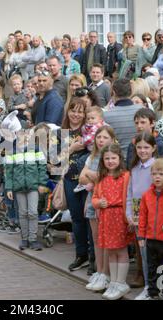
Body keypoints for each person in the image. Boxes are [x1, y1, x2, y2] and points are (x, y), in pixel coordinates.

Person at [92, 143, 133, 300]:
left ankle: (121, 282)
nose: (110, 161)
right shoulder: (101, 177)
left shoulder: (125, 176)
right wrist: (98, 203)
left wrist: (129, 217)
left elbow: (130, 197)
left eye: (113, 158)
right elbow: (95, 197)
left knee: (121, 250)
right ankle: (113, 282)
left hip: (119, 217)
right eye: (107, 158)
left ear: (119, 158)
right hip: (106, 218)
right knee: (110, 250)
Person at [60, 98, 93, 273]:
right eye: (73, 110)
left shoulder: (89, 131)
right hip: (69, 180)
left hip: (87, 182)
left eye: (80, 111)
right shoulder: (61, 132)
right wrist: (71, 149)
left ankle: (93, 257)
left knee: (89, 218)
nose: (76, 114)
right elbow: (54, 161)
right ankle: (81, 255)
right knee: (77, 219)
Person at [82, 126, 116, 292]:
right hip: (92, 199)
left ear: (112, 139)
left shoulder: (111, 158)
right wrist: (91, 176)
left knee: (106, 239)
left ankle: (107, 274)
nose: (101, 140)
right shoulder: (92, 156)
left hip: (105, 202)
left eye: (105, 137)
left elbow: (105, 179)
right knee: (96, 238)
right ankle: (100, 270)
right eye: (99, 137)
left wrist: (91, 176)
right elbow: (82, 177)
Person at [4, 128, 48, 251]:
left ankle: (33, 239)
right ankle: (25, 239)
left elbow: (42, 168)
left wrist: (41, 183)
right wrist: (9, 188)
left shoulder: (36, 150)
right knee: (22, 213)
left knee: (33, 212)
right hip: (19, 188)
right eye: (21, 132)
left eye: (27, 132)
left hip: (33, 187)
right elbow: (9, 172)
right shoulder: (12, 152)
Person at [138, 158, 163, 300]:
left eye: (161, 174)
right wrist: (141, 236)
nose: (157, 177)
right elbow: (142, 216)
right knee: (152, 267)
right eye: (154, 174)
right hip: (150, 239)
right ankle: (153, 293)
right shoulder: (146, 195)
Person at [126, 132, 158, 299]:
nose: (143, 150)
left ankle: (159, 288)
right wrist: (129, 214)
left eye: (146, 147)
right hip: (139, 218)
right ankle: (148, 286)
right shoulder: (134, 168)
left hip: (154, 216)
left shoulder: (157, 167)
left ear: (154, 148)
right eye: (139, 147)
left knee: (157, 255)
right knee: (144, 254)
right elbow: (130, 193)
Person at [104, 79, 142, 157]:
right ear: (131, 92)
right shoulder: (143, 111)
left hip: (117, 159)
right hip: (140, 157)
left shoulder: (106, 115)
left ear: (114, 92)